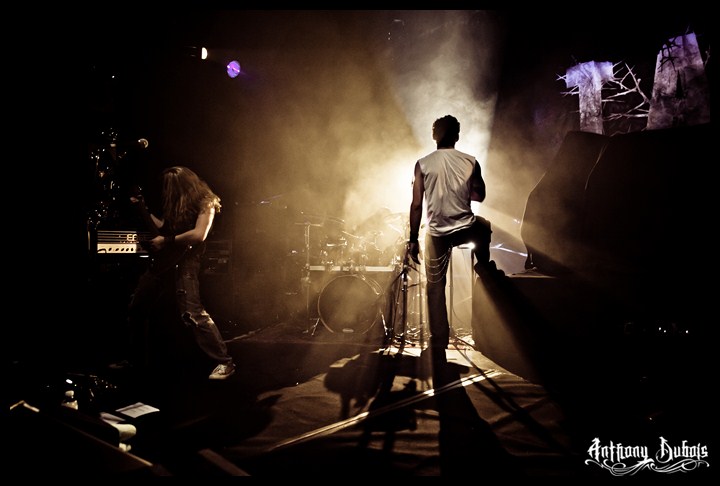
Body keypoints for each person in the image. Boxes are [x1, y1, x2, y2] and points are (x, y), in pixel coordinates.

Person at [125, 165, 235, 380]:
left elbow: (199, 234)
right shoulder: (176, 203)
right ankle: (134, 359)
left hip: (187, 261)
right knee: (137, 307)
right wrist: (142, 209)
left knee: (192, 313)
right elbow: (164, 227)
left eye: (170, 186)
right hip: (164, 260)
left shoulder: (206, 202)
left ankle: (224, 361)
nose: (166, 190)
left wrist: (165, 241)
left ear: (183, 185)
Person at [408, 115, 492, 354]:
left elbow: (417, 205)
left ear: (434, 135)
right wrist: (461, 190)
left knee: (435, 286)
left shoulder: (422, 164)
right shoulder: (470, 161)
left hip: (437, 235)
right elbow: (479, 196)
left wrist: (413, 239)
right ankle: (484, 269)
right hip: (466, 229)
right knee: (484, 227)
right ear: (457, 136)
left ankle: (438, 340)